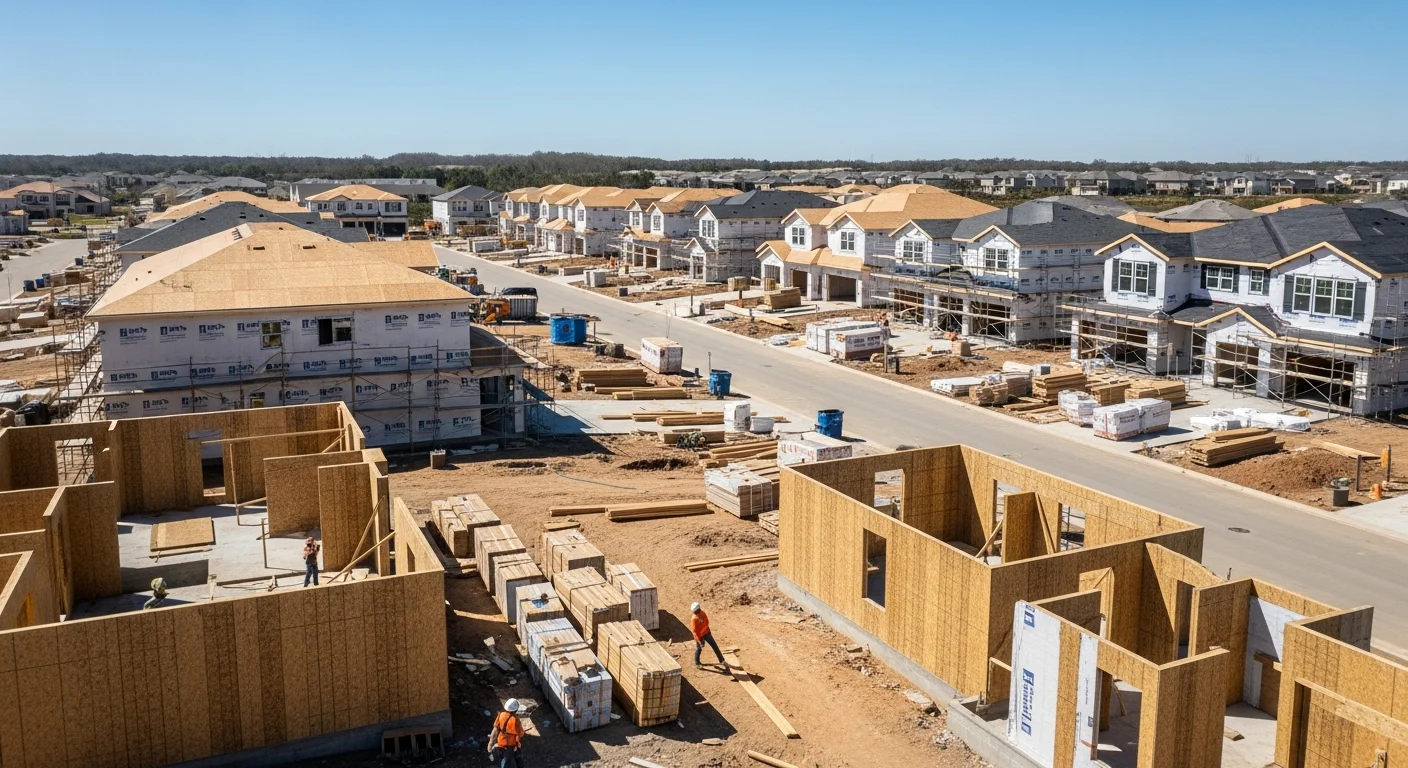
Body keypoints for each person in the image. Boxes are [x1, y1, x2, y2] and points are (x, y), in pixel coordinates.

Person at [487, 698, 524, 768]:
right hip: (510, 745)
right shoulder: (515, 720)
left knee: (502, 759)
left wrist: (490, 744)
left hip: (500, 742)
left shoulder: (500, 715)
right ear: (516, 709)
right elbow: (520, 734)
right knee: (507, 761)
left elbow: (495, 729)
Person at [690, 601, 725, 668]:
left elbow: (707, 622)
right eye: (694, 612)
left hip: (707, 633)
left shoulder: (703, 613)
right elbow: (695, 632)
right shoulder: (694, 619)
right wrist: (699, 641)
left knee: (715, 646)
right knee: (699, 649)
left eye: (696, 611)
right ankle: (697, 663)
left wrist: (703, 629)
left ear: (698, 609)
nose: (695, 613)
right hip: (700, 637)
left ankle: (722, 660)